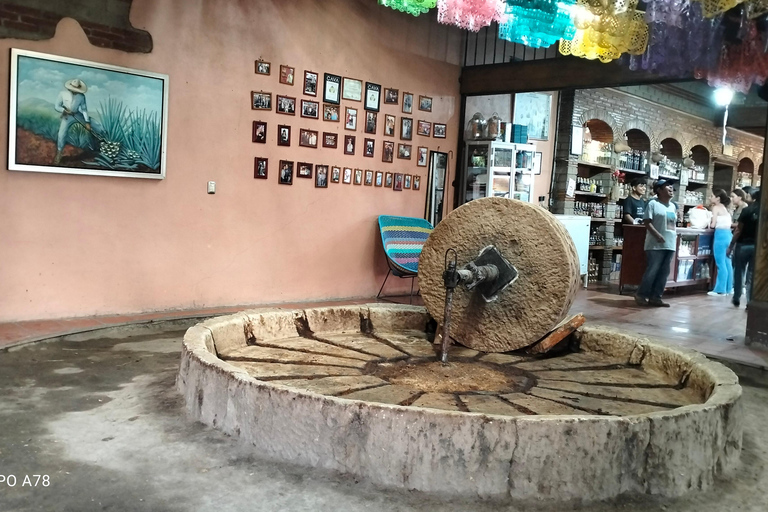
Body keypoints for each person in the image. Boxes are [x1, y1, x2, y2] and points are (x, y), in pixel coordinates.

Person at [635, 179, 678, 307]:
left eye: (672, 187)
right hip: (654, 244)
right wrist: (657, 235)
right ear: (659, 190)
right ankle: (641, 295)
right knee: (652, 270)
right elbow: (647, 222)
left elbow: (671, 224)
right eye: (667, 187)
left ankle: (656, 297)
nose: (671, 189)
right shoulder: (653, 203)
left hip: (669, 243)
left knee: (664, 272)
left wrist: (669, 237)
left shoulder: (673, 206)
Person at [53, 78, 102, 165]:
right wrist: (64, 111)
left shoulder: (81, 96)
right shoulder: (62, 94)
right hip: (67, 116)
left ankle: (101, 144)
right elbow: (57, 106)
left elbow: (84, 109)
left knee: (94, 125)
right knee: (61, 134)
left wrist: (87, 122)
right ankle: (59, 153)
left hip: (77, 114)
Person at [728, 189, 760, 308]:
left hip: (742, 244)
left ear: (753, 197)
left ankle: (736, 296)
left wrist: (731, 245)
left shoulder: (746, 210)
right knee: (751, 274)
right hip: (756, 246)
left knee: (739, 271)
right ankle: (749, 301)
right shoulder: (764, 211)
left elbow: (738, 230)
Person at [707, 189, 733, 296]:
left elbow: (713, 225)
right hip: (728, 235)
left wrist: (708, 221)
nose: (710, 197)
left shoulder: (716, 208)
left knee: (720, 264)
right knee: (727, 263)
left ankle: (720, 290)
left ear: (718, 198)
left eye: (712, 195)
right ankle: (728, 288)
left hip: (720, 236)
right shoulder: (726, 209)